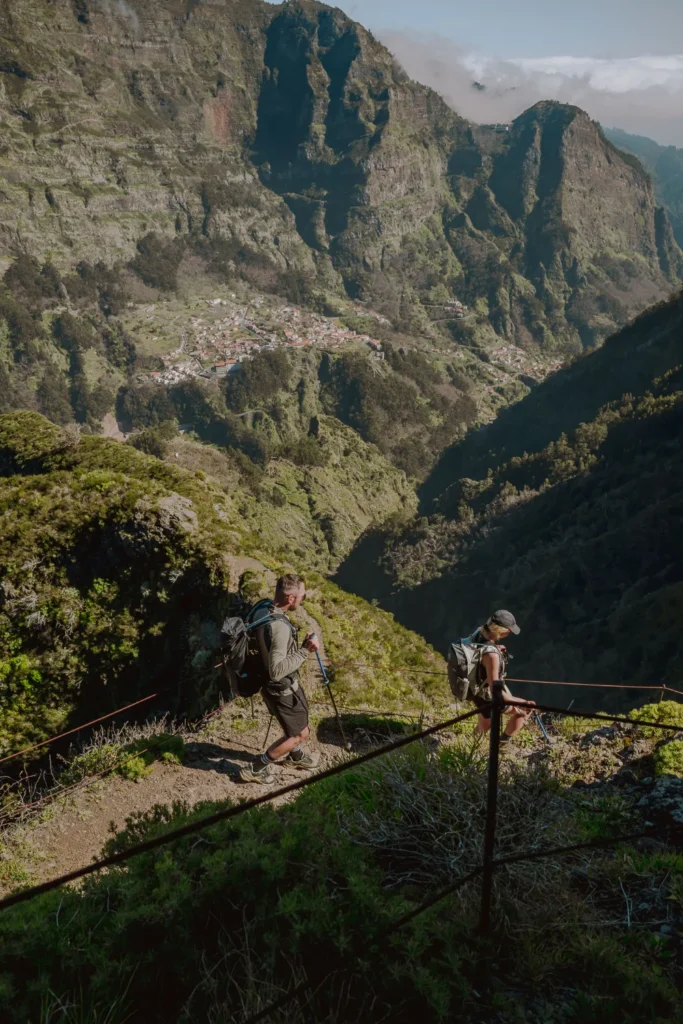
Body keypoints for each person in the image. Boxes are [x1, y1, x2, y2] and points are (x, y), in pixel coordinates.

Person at [239, 573, 320, 784]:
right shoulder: (280, 628)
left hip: (263, 682)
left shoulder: (262, 608)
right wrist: (304, 650)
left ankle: (295, 754)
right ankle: (257, 767)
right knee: (301, 732)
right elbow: (277, 670)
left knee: (290, 723)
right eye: (301, 596)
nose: (303, 599)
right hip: (281, 688)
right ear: (291, 599)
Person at [468, 610, 535, 745]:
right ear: (501, 631)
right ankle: (502, 743)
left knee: (485, 719)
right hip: (486, 693)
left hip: (474, 687)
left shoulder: (478, 633)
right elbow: (496, 692)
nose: (510, 633)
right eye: (509, 631)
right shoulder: (491, 655)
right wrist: (520, 705)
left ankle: (472, 744)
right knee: (528, 708)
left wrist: (493, 647)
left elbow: (477, 653)